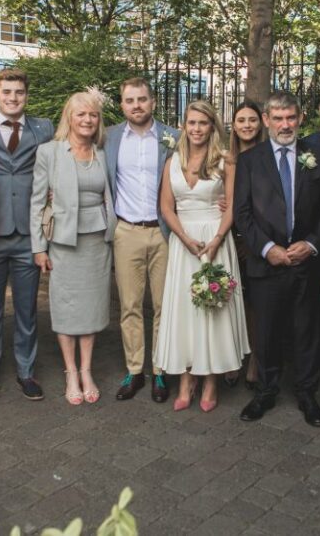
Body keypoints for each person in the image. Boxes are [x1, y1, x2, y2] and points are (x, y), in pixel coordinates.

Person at [234, 90, 320, 427]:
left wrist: (311, 244)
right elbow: (243, 213)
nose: (285, 124)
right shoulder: (251, 161)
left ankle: (308, 394)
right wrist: (267, 249)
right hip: (267, 263)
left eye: (290, 117)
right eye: (277, 118)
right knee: (266, 332)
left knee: (307, 332)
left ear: (300, 118)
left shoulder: (317, 155)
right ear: (266, 121)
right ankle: (266, 390)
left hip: (306, 262)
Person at [155, 100, 249, 412]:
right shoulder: (173, 160)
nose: (197, 129)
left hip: (215, 241)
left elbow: (234, 205)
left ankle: (210, 380)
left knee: (213, 310)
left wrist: (218, 238)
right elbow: (166, 206)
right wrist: (183, 238)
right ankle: (186, 377)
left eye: (203, 123)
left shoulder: (226, 160)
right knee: (185, 311)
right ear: (184, 125)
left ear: (212, 127)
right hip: (185, 242)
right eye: (192, 123)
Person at [0, 68, 54, 405]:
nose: (13, 97)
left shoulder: (43, 128)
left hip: (27, 235)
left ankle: (26, 371)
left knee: (26, 308)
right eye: (6, 92)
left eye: (19, 92)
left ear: (26, 95)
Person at [31, 91, 116, 405]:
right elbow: (37, 202)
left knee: (92, 306)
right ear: (69, 116)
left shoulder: (103, 152)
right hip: (63, 243)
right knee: (66, 306)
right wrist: (39, 247)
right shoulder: (49, 152)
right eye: (81, 114)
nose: (87, 120)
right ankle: (70, 372)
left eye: (92, 115)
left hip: (97, 240)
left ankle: (87, 370)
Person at [105, 78, 180, 403]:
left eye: (142, 99)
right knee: (130, 306)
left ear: (153, 102)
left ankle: (160, 371)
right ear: (122, 104)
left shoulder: (173, 138)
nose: (136, 105)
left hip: (164, 232)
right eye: (129, 100)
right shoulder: (108, 137)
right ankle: (135, 371)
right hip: (126, 232)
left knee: (164, 306)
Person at [228, 100, 265, 388]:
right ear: (234, 125)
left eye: (252, 120)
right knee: (229, 301)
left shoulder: (269, 156)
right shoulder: (225, 157)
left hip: (257, 240)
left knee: (254, 303)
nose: (247, 125)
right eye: (241, 120)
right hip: (228, 237)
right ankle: (230, 358)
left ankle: (254, 359)